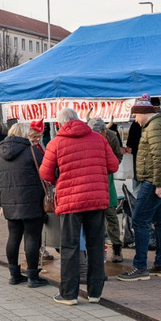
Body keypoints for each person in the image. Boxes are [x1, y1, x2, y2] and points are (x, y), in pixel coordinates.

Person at [41, 109, 120, 305]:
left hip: (70, 203)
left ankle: (69, 294)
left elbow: (45, 174)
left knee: (69, 247)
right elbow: (114, 166)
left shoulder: (56, 142)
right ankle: (95, 293)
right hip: (96, 200)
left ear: (59, 124)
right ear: (78, 120)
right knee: (95, 246)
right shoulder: (99, 139)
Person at [119, 93, 161, 282]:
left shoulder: (154, 127)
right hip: (160, 180)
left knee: (139, 220)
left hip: (154, 181)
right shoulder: (160, 124)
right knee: (160, 220)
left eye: (135, 116)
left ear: (143, 112)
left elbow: (159, 157)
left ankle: (140, 266)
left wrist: (159, 184)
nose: (135, 120)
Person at [0, 121, 48, 288]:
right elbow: (45, 173)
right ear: (25, 134)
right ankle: (32, 276)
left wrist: (2, 202)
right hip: (31, 201)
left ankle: (14, 275)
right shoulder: (31, 151)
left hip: (9, 202)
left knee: (13, 236)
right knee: (32, 237)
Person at [92, 117, 124, 263]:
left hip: (106, 179)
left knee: (111, 214)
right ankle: (95, 251)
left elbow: (118, 157)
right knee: (93, 219)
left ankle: (117, 248)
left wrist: (109, 166)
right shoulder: (86, 137)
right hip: (91, 182)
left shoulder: (112, 137)